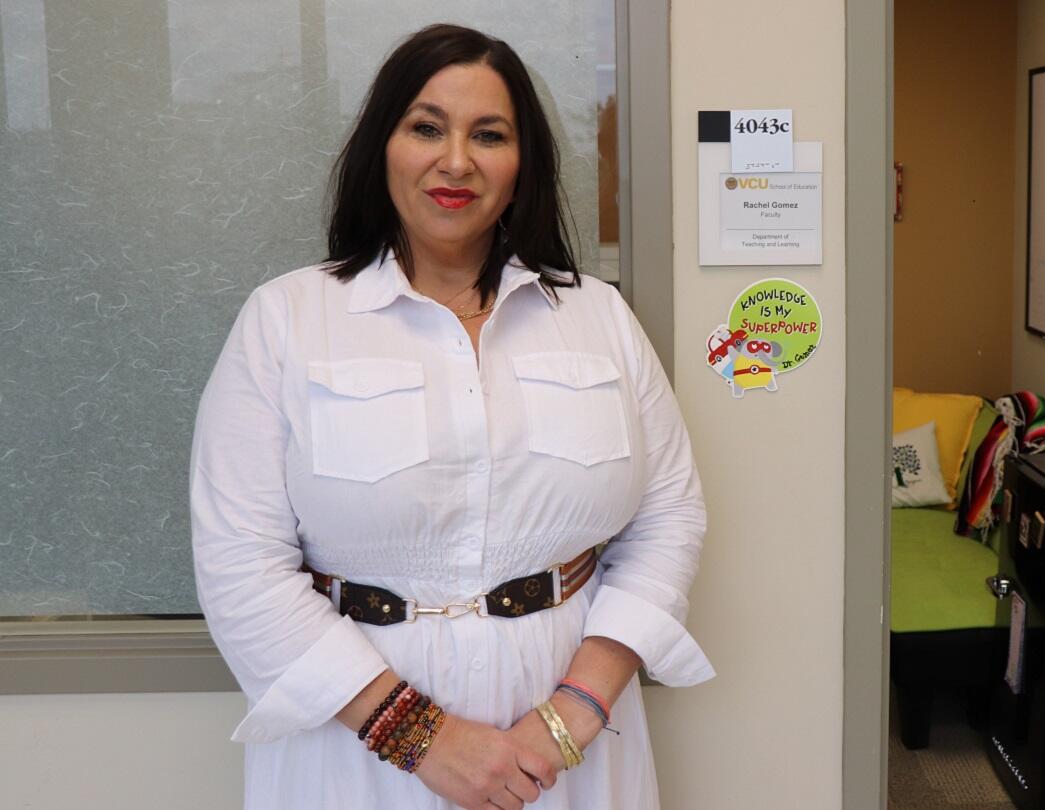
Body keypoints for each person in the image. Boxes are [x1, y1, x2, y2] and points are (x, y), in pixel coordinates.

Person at [190, 24, 713, 809]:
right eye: (427, 127)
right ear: (385, 147)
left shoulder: (598, 317)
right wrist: (419, 736)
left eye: (490, 135)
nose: (457, 160)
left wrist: (573, 713)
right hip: (353, 743)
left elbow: (669, 516)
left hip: (567, 746)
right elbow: (240, 565)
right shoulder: (288, 321)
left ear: (521, 163)